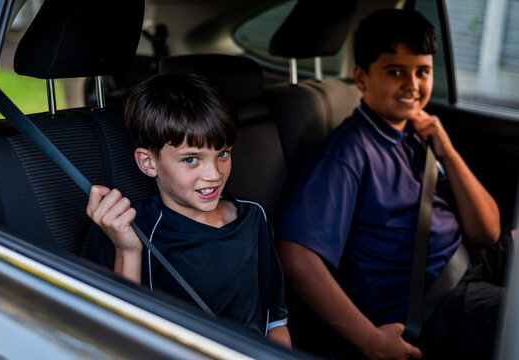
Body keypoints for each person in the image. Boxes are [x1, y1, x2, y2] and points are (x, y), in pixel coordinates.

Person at [276, 8, 512, 360]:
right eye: (395, 71)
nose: (412, 85)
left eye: (423, 72)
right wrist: (369, 340)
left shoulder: (416, 133)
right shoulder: (348, 153)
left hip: (465, 258)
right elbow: (296, 256)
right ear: (361, 78)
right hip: (429, 302)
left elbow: (488, 231)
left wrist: (446, 151)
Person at [85, 72, 291, 347]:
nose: (214, 174)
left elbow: (274, 322)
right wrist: (127, 251)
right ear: (148, 163)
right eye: (191, 159)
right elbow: (117, 342)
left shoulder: (253, 217)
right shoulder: (127, 229)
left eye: (223, 153)